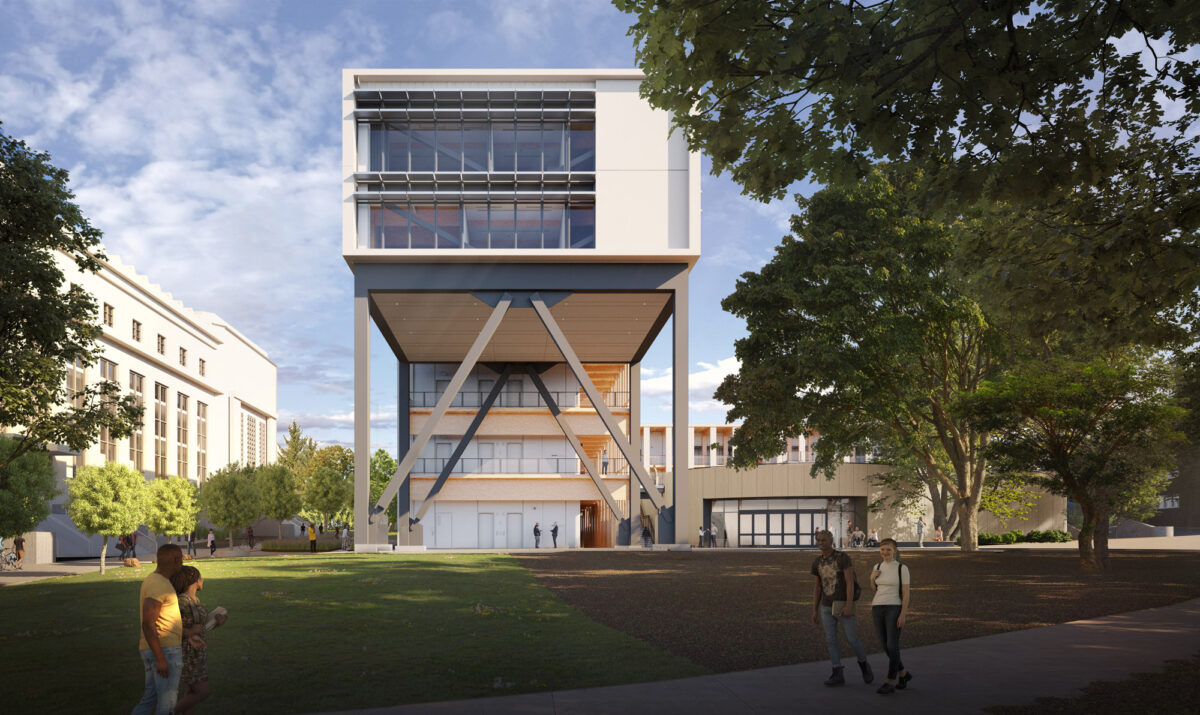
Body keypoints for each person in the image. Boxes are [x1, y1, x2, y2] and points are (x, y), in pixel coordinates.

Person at [133, 543, 199, 715]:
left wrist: (187, 634)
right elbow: (148, 623)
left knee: (150, 699)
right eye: (182, 557)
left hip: (158, 648)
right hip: (164, 650)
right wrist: (161, 658)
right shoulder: (159, 584)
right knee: (167, 703)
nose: (183, 561)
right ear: (176, 559)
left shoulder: (156, 580)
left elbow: (164, 621)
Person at [811, 529, 873, 687]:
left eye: (823, 540)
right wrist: (814, 609)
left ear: (831, 541)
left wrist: (849, 604)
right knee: (831, 640)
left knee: (852, 638)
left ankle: (864, 664)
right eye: (818, 540)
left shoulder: (842, 558)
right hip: (826, 606)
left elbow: (850, 582)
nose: (820, 543)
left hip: (842, 604)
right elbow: (817, 587)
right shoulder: (817, 562)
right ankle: (837, 671)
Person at [870, 538, 912, 694]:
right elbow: (875, 589)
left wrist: (903, 614)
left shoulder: (902, 568)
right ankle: (903, 674)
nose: (885, 553)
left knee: (892, 646)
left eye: (888, 549)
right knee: (885, 646)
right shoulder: (877, 566)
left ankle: (889, 680)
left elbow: (906, 594)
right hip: (877, 607)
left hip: (894, 607)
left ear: (895, 550)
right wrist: (871, 578)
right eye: (882, 549)